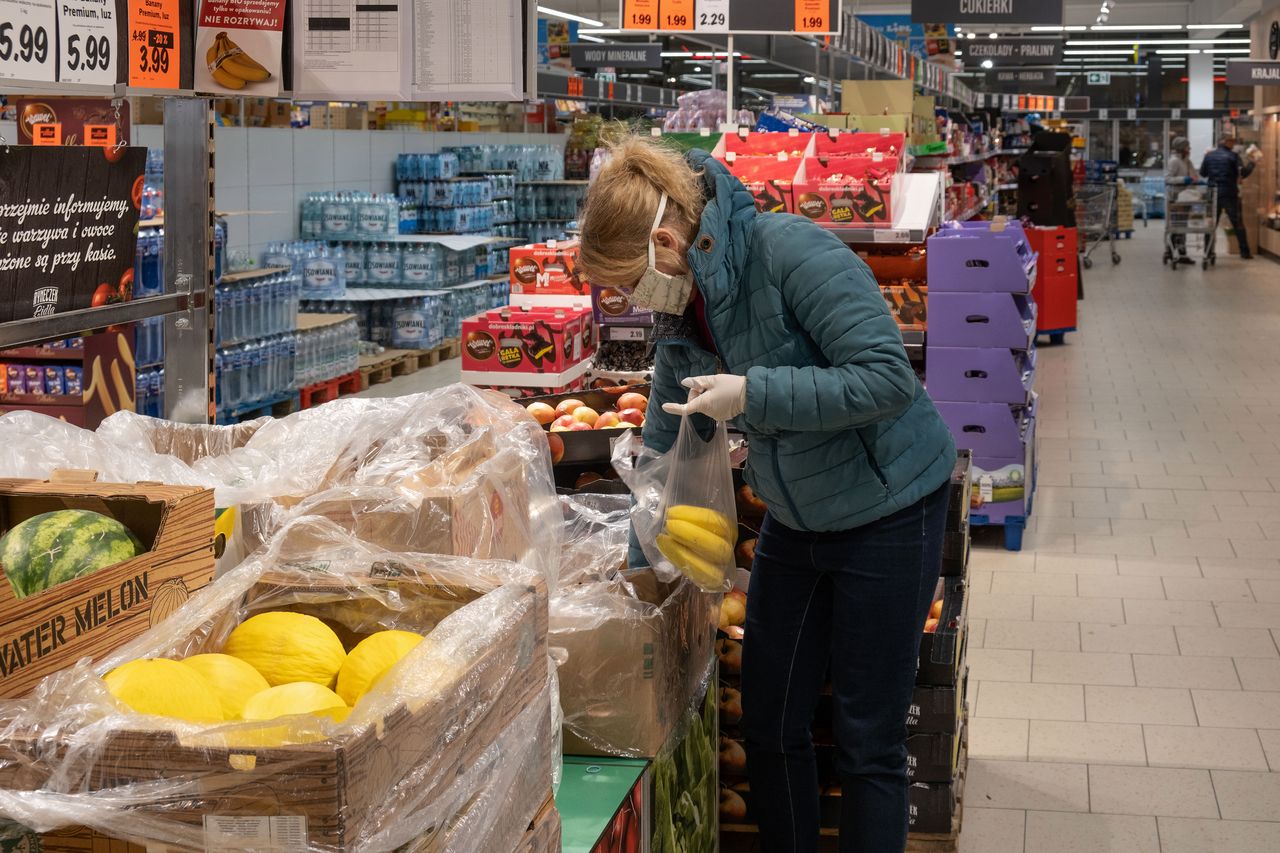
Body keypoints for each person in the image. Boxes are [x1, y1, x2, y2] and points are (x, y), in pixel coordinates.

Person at [578, 136, 956, 853]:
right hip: (795, 515)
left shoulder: (791, 252)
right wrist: (635, 581)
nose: (628, 301)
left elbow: (885, 377)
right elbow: (660, 450)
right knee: (770, 719)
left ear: (667, 240)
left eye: (629, 283)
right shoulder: (682, 313)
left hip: (889, 506)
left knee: (866, 735)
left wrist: (754, 392)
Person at [1200, 134, 1256, 260]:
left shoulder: (1208, 156)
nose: (1234, 144)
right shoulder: (1233, 156)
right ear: (1227, 142)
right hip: (1229, 194)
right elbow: (1243, 174)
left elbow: (1203, 173)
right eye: (1233, 142)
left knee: (1210, 224)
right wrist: (1252, 163)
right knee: (1238, 223)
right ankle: (1245, 252)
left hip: (1212, 193)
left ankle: (1208, 252)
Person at [1166, 137, 1199, 265]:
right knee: (1177, 226)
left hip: (1186, 198)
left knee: (1182, 225)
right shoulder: (1174, 161)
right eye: (1187, 147)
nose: (1189, 149)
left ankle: (1180, 252)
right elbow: (1168, 179)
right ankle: (1173, 250)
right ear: (1181, 148)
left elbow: (1194, 175)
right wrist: (1183, 180)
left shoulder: (1187, 161)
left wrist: (1197, 180)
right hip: (1176, 198)